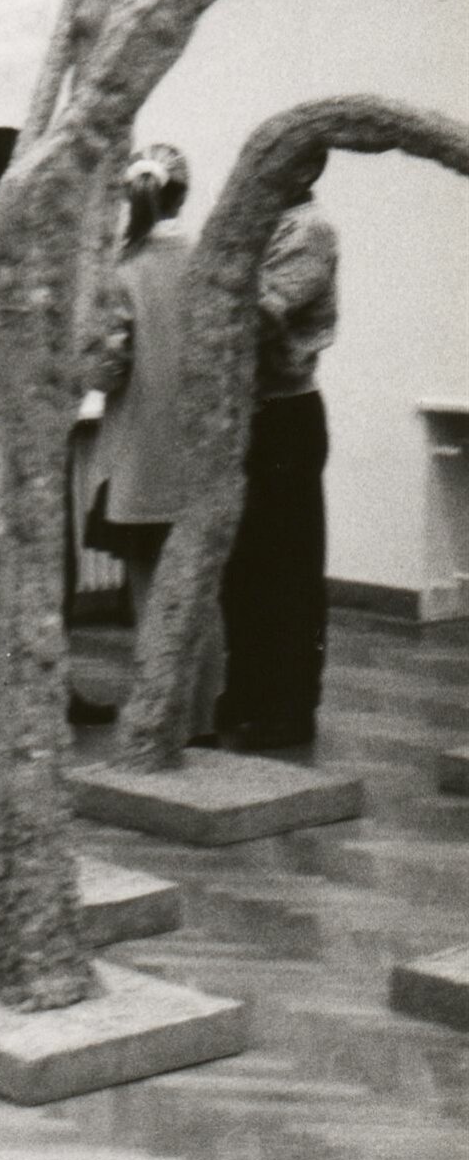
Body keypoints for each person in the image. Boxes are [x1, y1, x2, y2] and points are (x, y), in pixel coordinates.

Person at [0, 126, 116, 741]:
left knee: (52, 566)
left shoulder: (18, 249)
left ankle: (47, 690)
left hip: (24, 425)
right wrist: (22, 415)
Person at [86, 144, 221, 745]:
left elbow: (106, 369)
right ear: (183, 195)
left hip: (140, 457)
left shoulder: (124, 271)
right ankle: (204, 720)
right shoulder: (209, 261)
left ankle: (163, 722)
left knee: (150, 595)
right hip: (200, 453)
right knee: (202, 592)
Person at [219, 147, 339, 749]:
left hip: (286, 412)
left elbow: (258, 316)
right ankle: (247, 692)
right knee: (245, 566)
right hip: (253, 411)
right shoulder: (268, 224)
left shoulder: (308, 230)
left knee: (287, 567)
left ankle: (289, 706)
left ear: (306, 170)